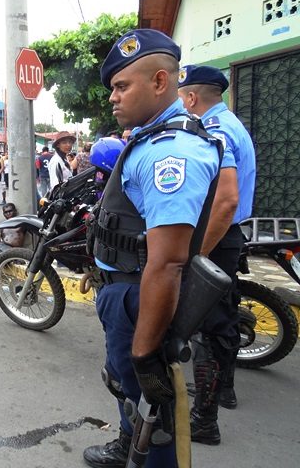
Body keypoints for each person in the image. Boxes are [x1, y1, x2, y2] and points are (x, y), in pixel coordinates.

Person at [82, 29, 221, 468]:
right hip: (122, 290)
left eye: (122, 86)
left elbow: (168, 262)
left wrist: (145, 354)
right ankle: (128, 445)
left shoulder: (170, 153)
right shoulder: (149, 138)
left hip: (138, 298)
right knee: (127, 391)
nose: (112, 97)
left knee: (153, 412)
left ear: (160, 82)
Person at [178, 64, 256, 444]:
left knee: (210, 325)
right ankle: (223, 389)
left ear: (192, 97)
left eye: (182, 98)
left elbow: (225, 202)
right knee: (222, 315)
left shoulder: (216, 130)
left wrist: (199, 255)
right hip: (228, 235)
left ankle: (204, 420)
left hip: (217, 236)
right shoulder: (231, 122)